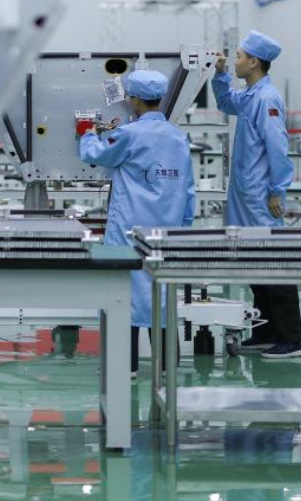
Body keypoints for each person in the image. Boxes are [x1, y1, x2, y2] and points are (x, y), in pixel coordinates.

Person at [78, 69, 195, 377]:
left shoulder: (129, 134)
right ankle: (168, 365)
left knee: (123, 294)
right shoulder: (177, 136)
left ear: (133, 100)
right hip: (167, 230)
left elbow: (97, 153)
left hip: (129, 228)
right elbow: (189, 187)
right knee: (162, 294)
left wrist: (89, 132)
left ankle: (126, 365)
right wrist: (185, 226)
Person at [211, 31, 301, 359]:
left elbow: (278, 148)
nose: (234, 61)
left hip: (261, 196)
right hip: (246, 195)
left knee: (273, 262)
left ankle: (291, 340)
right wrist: (221, 72)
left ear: (253, 61)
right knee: (254, 259)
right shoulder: (251, 96)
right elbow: (225, 101)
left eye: (237, 56)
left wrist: (278, 190)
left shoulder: (266, 99)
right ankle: (266, 331)